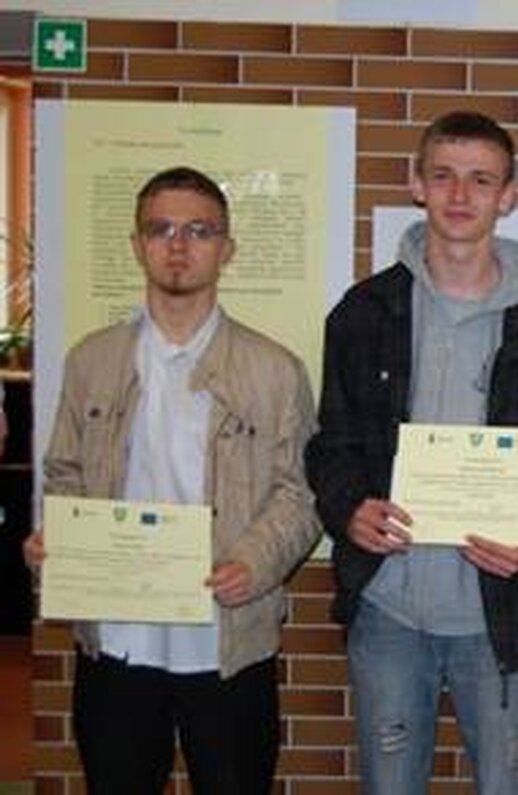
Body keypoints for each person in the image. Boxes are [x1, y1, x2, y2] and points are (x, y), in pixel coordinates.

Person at [304, 110, 518, 794]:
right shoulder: (363, 312)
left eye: (481, 179)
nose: (460, 195)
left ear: (508, 195)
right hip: (390, 607)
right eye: (443, 176)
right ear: (417, 185)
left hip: (501, 618)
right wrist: (348, 509)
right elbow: (332, 443)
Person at [23, 166, 321, 794]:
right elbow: (63, 474)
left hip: (227, 642)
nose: (178, 246)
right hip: (118, 642)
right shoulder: (91, 361)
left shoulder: (274, 370)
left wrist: (255, 562)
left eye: (199, 231)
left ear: (226, 248)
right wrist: (58, 541)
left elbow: (299, 493)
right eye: (160, 229)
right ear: (137, 245)